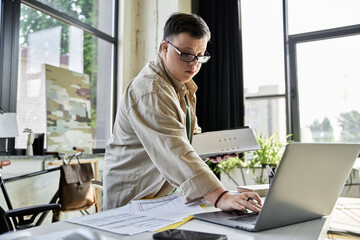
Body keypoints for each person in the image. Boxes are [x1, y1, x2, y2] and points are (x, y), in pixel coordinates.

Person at [103, 12, 262, 213]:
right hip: (133, 201)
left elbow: (185, 141)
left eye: (200, 55)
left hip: (162, 198)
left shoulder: (182, 86)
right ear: (165, 47)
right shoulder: (150, 90)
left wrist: (208, 151)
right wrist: (221, 196)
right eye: (186, 54)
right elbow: (175, 150)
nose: (194, 63)